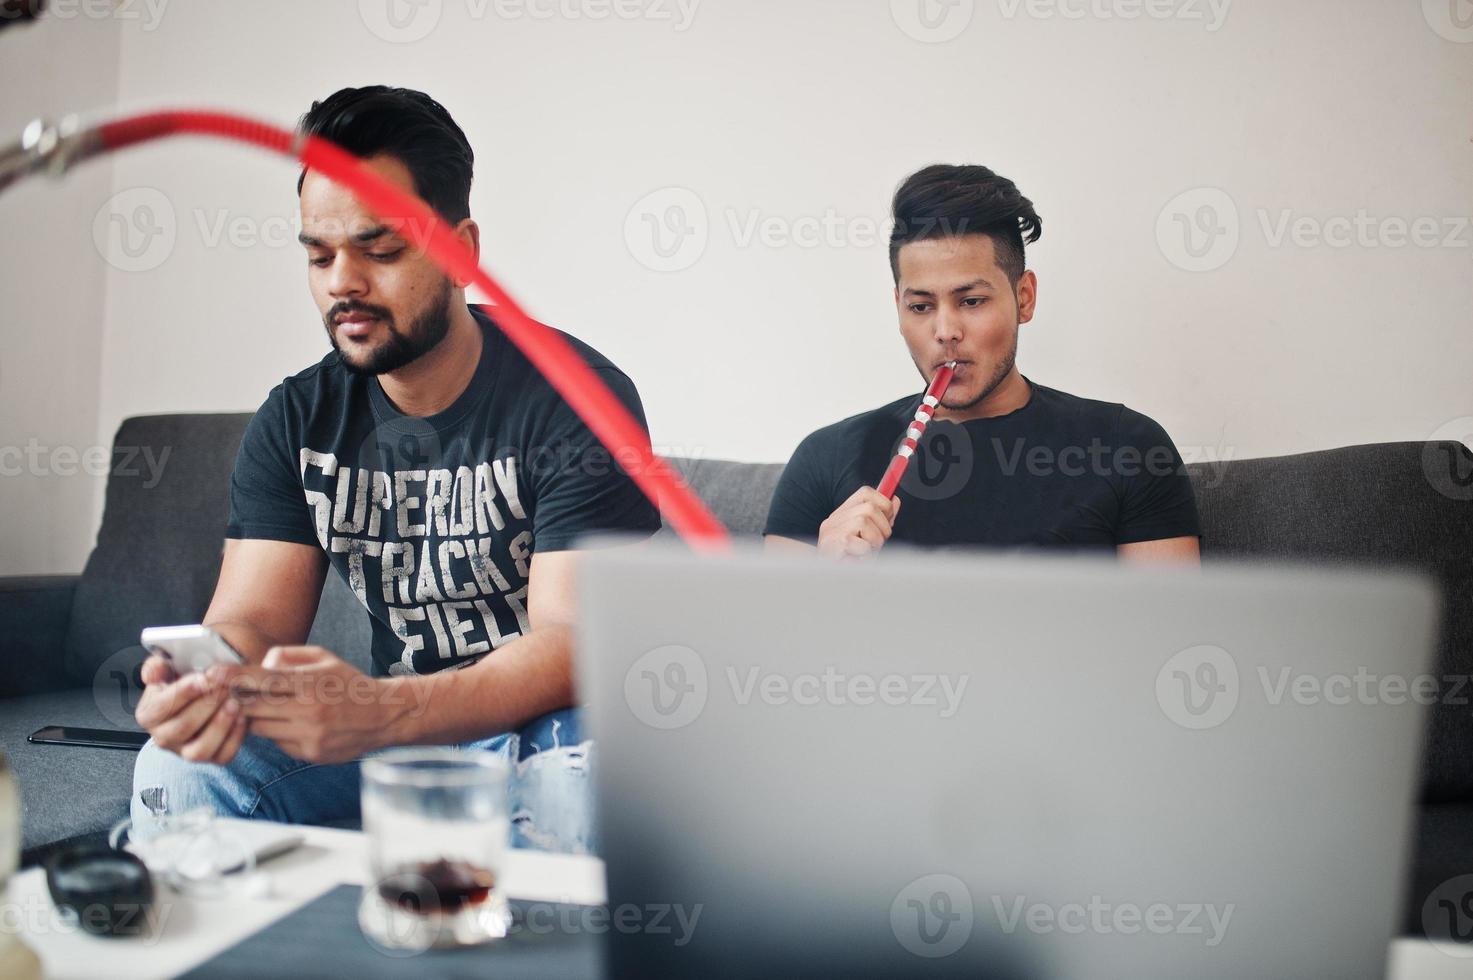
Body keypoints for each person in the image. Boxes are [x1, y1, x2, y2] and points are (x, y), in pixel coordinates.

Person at [130, 86, 661, 851]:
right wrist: (207, 685)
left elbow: (573, 644)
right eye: (319, 255)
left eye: (379, 250)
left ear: (461, 253)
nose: (342, 281)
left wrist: (382, 708)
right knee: (176, 769)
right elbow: (250, 620)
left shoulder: (578, 398)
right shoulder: (297, 419)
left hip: (541, 727)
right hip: (389, 736)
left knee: (578, 779)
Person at [765, 164, 1201, 563]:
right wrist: (822, 579)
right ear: (897, 308)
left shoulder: (1129, 448)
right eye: (920, 307)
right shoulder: (823, 460)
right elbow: (772, 639)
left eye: (971, 301)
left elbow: (1170, 638)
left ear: (1023, 297)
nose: (945, 330)